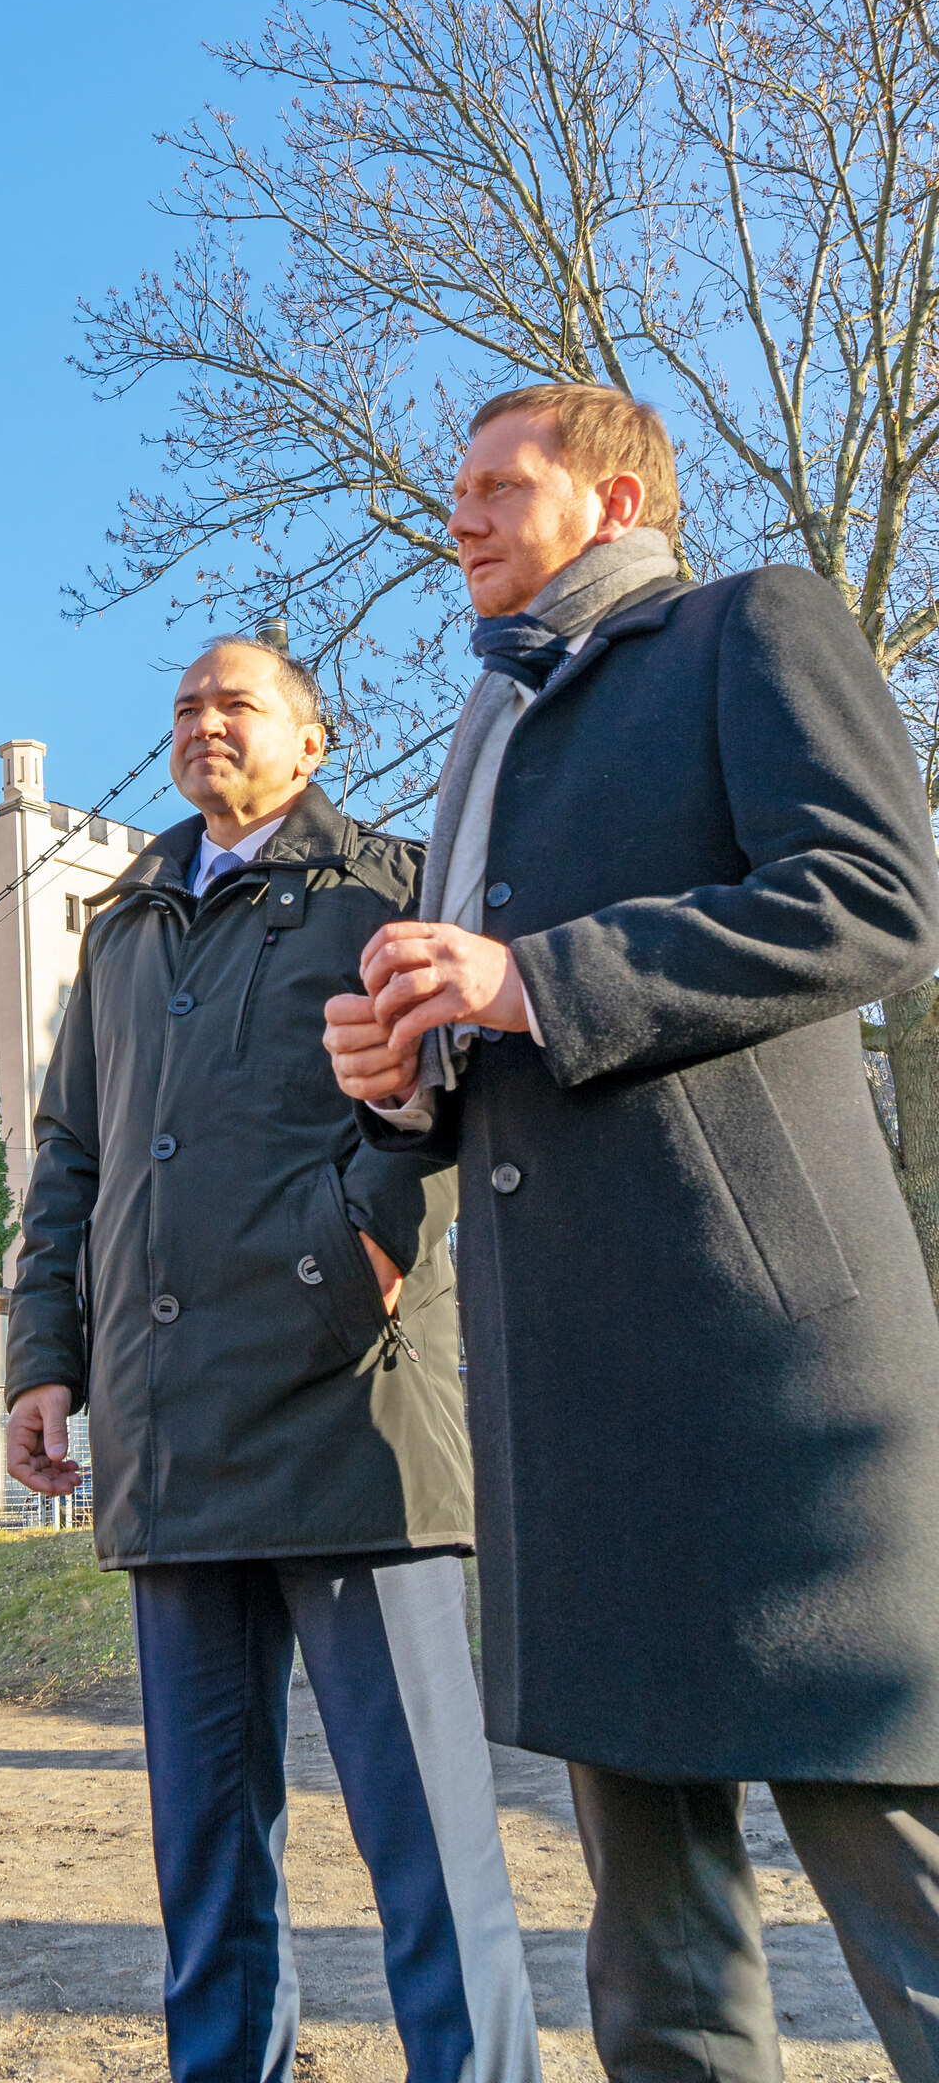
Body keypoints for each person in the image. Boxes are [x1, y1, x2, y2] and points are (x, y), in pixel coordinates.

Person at [324, 383, 939, 2083]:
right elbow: (494, 1039)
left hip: (769, 1368)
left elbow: (879, 897)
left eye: (497, 485)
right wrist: (405, 1076)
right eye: (453, 488)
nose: (459, 515)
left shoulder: (753, 626)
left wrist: (531, 976)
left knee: (895, 1871)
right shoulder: (479, 731)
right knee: (653, 1962)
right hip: (569, 1385)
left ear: (613, 496)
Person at [7, 636, 540, 2083]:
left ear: (314, 740)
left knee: (424, 1844)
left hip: (347, 1418)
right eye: (183, 703)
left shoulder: (389, 883)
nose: (201, 723)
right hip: (169, 1433)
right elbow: (71, 1154)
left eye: (235, 702)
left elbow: (448, 1099)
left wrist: (352, 1259)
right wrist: (43, 1356)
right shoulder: (120, 925)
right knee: (209, 1866)